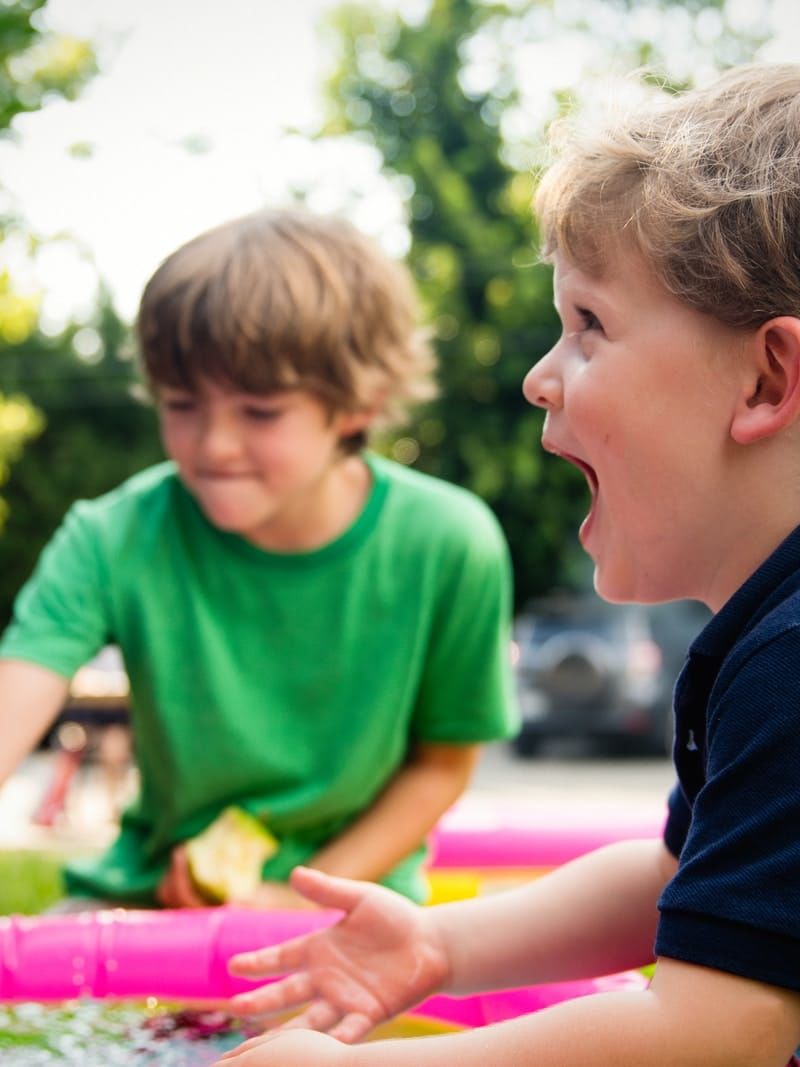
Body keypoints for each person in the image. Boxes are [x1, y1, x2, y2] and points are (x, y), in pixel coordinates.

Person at [212, 65, 800, 1066]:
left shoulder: (791, 663)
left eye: (587, 325)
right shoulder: (756, 641)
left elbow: (718, 1028)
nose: (537, 376)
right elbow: (676, 871)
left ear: (766, 377)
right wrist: (441, 942)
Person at [0, 208, 518, 911]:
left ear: (358, 403)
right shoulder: (111, 535)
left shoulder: (451, 542)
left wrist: (296, 898)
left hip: (354, 904)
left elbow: (442, 764)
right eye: (182, 404)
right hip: (148, 897)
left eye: (261, 411)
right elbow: (15, 697)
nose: (213, 445)